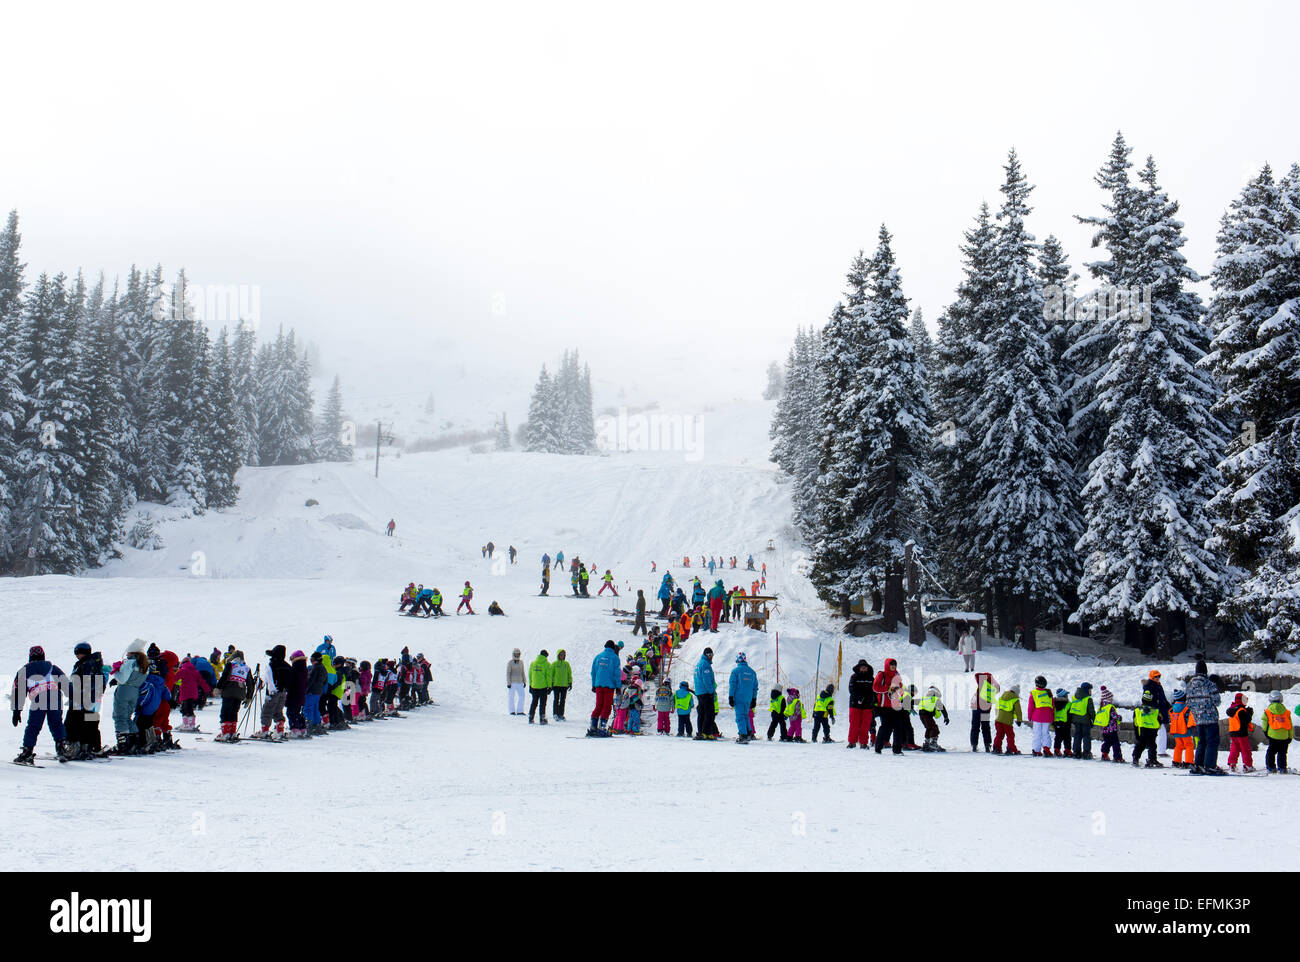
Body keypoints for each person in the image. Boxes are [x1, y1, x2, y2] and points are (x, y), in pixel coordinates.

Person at [11, 645, 71, 765]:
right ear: (43, 656)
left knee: (34, 726)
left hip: (39, 697)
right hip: (55, 696)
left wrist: (17, 711)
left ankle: (27, 752)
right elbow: (66, 684)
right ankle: (61, 747)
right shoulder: (52, 668)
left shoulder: (24, 671)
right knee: (56, 723)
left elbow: (18, 692)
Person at [64, 642, 108, 758]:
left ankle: (75, 747)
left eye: (77, 653)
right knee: (90, 724)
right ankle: (90, 747)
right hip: (93, 701)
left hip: (82, 699)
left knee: (72, 722)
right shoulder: (95, 663)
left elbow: (84, 682)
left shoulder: (86, 664)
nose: (76, 655)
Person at [110, 640, 150, 755]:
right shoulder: (143, 664)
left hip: (124, 690)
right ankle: (134, 742)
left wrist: (115, 672)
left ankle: (123, 745)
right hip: (135, 691)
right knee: (128, 717)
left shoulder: (130, 662)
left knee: (120, 717)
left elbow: (122, 679)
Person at [1185, 661, 1224, 775]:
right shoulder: (1209, 684)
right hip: (1210, 717)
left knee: (1201, 742)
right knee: (1212, 741)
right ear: (1205, 671)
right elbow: (1217, 701)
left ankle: (1198, 764)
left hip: (1198, 718)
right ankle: (1209, 765)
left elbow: (1188, 703)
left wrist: (1197, 710)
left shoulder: (1189, 685)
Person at [214, 650, 253, 742]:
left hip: (229, 691)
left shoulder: (231, 664)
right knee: (234, 712)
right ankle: (232, 731)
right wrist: (249, 697)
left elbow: (224, 676)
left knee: (226, 711)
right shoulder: (246, 668)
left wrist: (218, 687)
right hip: (240, 693)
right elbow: (251, 683)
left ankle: (225, 733)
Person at [256, 645, 291, 740]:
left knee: (267, 711)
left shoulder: (271, 665)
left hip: (273, 691)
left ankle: (265, 731)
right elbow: (290, 680)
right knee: (278, 711)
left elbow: (269, 678)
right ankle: (280, 730)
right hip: (283, 692)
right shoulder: (287, 666)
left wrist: (271, 690)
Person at [587, 641, 621, 737]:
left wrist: (594, 684)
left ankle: (593, 727)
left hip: (598, 685)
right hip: (609, 686)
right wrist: (618, 686)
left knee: (598, 706)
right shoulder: (615, 658)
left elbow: (593, 672)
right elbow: (617, 674)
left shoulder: (598, 657)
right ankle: (602, 727)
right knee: (606, 707)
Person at [873, 659, 905, 755]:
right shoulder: (881, 675)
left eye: (894, 665)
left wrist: (898, 691)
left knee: (898, 727)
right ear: (887, 665)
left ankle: (897, 750)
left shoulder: (897, 676)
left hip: (895, 705)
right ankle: (878, 747)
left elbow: (901, 690)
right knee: (885, 727)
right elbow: (875, 687)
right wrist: (888, 688)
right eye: (891, 665)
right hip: (884, 706)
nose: (893, 667)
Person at [727, 653, 757, 742]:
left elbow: (732, 685)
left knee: (740, 716)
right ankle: (748, 732)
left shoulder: (735, 671)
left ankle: (743, 735)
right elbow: (755, 687)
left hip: (739, 697)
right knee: (746, 715)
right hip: (748, 698)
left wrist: (731, 696)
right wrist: (754, 698)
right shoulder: (752, 672)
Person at [845, 659, 875, 749]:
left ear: (867, 668)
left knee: (865, 725)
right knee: (854, 723)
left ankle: (863, 743)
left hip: (867, 705)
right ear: (859, 668)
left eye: (865, 667)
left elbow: (874, 691)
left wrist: (872, 700)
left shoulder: (871, 678)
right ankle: (852, 742)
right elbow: (851, 689)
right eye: (862, 667)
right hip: (855, 704)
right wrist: (859, 697)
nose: (863, 669)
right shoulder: (854, 677)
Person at [1143, 669, 1171, 757]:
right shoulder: (1149, 687)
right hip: (1155, 712)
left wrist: (1169, 707)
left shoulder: (1158, 686)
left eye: (1159, 676)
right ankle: (1159, 751)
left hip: (1161, 711)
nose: (1158, 678)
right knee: (1160, 731)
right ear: (1152, 677)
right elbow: (1147, 700)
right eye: (1156, 676)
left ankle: (1160, 750)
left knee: (1161, 731)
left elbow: (1163, 698)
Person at [1132, 689, 1164, 768]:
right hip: (1152, 730)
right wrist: (1157, 727)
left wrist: (1137, 732)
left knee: (1140, 744)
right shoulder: (1156, 711)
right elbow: (1160, 720)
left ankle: (1135, 757)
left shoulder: (1138, 711)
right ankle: (1152, 759)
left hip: (1142, 729)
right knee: (1152, 745)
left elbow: (1135, 722)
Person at [1263, 690, 1292, 774]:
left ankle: (1271, 767)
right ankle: (1282, 768)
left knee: (1271, 752)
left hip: (1273, 736)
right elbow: (1290, 725)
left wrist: (1265, 732)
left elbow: (1265, 722)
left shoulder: (1267, 711)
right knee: (1282, 753)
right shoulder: (1286, 712)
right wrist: (1290, 736)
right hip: (1284, 736)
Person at [970, 671, 999, 752]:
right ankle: (987, 745)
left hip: (976, 708)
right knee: (985, 726)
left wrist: (987, 676)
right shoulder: (992, 687)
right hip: (985, 709)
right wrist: (990, 677)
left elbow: (976, 675)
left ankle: (974, 745)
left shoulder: (981, 683)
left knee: (975, 726)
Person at [693, 647, 718, 740]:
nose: (711, 657)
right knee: (710, 713)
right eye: (709, 655)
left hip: (700, 691)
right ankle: (706, 732)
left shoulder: (700, 663)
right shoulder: (705, 665)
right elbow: (706, 680)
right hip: (706, 692)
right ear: (706, 655)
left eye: (712, 655)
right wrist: (711, 691)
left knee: (702, 712)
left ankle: (701, 732)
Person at [1225, 692, 1255, 772]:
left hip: (1233, 733)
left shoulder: (1232, 709)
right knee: (1245, 750)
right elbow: (1246, 720)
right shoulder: (1241, 710)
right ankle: (1248, 765)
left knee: (1234, 749)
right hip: (1241, 733)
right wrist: (1249, 713)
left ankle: (1232, 764)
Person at [1026, 675, 1054, 757]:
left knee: (1037, 733)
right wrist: (1052, 717)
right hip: (1047, 716)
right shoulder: (1048, 693)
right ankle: (1046, 748)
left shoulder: (1034, 693)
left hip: (1037, 716)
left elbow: (1031, 706)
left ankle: (1036, 750)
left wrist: (1030, 716)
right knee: (1045, 733)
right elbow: (1052, 706)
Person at [1068, 682, 1096, 759]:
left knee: (1077, 735)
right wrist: (1094, 719)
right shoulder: (1088, 699)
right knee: (1086, 736)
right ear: (1086, 690)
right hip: (1085, 721)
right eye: (1090, 690)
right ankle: (1086, 752)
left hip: (1076, 721)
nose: (1091, 692)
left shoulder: (1075, 697)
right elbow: (1091, 711)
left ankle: (1076, 752)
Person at [1095, 686, 1124, 763]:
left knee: (1107, 742)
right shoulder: (1110, 707)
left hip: (1104, 729)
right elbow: (1114, 716)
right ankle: (1117, 757)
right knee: (1115, 743)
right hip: (1112, 729)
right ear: (1108, 698)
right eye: (1111, 698)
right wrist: (1119, 717)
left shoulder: (1101, 707)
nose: (1112, 699)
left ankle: (1104, 754)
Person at [991, 685, 1023, 754]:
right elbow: (1018, 711)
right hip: (1007, 722)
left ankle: (996, 748)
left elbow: (997, 708)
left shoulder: (1001, 697)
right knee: (1010, 735)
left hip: (998, 720)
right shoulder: (1015, 699)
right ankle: (1011, 749)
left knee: (999, 735)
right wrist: (1019, 720)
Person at [1168, 689, 1195, 768]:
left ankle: (1176, 761)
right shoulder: (1186, 708)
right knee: (1189, 745)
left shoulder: (1173, 708)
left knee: (1179, 746)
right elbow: (1188, 719)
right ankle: (1189, 762)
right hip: (1184, 730)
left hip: (1175, 730)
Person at [918, 685, 948, 751]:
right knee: (934, 728)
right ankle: (933, 744)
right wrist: (946, 717)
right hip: (927, 715)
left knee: (929, 728)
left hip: (921, 715)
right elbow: (942, 708)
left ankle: (927, 743)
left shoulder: (924, 698)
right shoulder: (934, 699)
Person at [287, 650, 309, 738]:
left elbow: (290, 682)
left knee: (291, 712)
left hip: (294, 694)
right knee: (297, 712)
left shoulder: (294, 669)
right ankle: (302, 728)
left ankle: (295, 729)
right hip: (301, 694)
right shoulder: (304, 669)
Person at [527, 650, 552, 724]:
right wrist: (549, 686)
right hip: (543, 687)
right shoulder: (547, 664)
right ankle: (542, 718)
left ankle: (531, 717)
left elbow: (530, 675)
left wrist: (530, 685)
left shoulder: (533, 663)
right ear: (546, 656)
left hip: (534, 686)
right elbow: (548, 677)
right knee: (542, 703)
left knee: (534, 702)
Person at [304, 652, 326, 734]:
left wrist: (305, 688)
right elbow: (325, 680)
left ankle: (308, 725)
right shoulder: (323, 667)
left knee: (308, 708)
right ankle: (316, 724)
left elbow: (310, 679)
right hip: (318, 691)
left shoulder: (315, 668)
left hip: (311, 691)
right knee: (315, 708)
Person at [551, 650, 572, 721]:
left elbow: (569, 674)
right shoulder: (554, 664)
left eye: (563, 654)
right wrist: (551, 683)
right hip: (556, 685)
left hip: (564, 685)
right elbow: (551, 674)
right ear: (558, 655)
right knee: (556, 699)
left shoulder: (566, 664)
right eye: (561, 654)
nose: (562, 656)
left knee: (563, 700)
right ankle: (555, 713)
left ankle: (561, 714)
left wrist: (570, 682)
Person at [1051, 688, 1073, 757]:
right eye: (1066, 695)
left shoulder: (1054, 703)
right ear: (1064, 696)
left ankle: (1056, 750)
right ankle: (1067, 750)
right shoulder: (1068, 704)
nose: (1067, 696)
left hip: (1056, 722)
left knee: (1058, 737)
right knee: (1067, 737)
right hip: (1065, 723)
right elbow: (1070, 714)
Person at [507, 648, 527, 716]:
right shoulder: (510, 662)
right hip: (512, 682)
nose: (517, 655)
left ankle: (520, 711)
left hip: (520, 682)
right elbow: (508, 673)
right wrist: (508, 683)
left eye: (518, 654)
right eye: (516, 653)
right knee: (511, 696)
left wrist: (524, 681)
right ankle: (512, 711)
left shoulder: (521, 662)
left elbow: (523, 672)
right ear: (513, 654)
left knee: (522, 696)